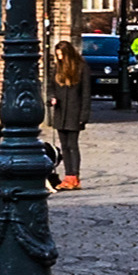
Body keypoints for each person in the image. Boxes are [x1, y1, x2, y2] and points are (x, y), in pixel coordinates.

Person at [48, 37, 89, 190]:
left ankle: (74, 176)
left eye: (61, 55)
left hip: (74, 111)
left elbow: (86, 94)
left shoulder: (81, 68)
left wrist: (83, 116)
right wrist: (52, 98)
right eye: (58, 55)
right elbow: (51, 87)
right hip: (61, 112)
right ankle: (67, 175)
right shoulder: (57, 69)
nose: (60, 58)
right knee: (64, 146)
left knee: (73, 145)